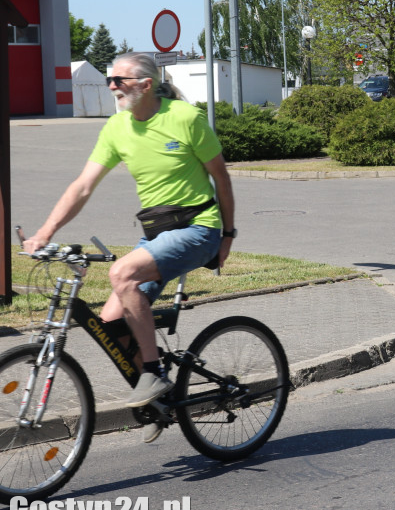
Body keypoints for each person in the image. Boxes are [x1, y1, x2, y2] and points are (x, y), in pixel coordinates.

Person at [22, 52, 235, 441]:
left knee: (121, 273)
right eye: (109, 79)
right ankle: (160, 399)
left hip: (198, 228)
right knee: (111, 326)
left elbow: (221, 178)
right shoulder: (117, 127)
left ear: (145, 84)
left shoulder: (185, 118)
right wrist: (45, 232)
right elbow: (83, 186)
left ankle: (152, 372)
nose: (112, 86)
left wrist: (228, 235)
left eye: (119, 80)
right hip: (156, 234)